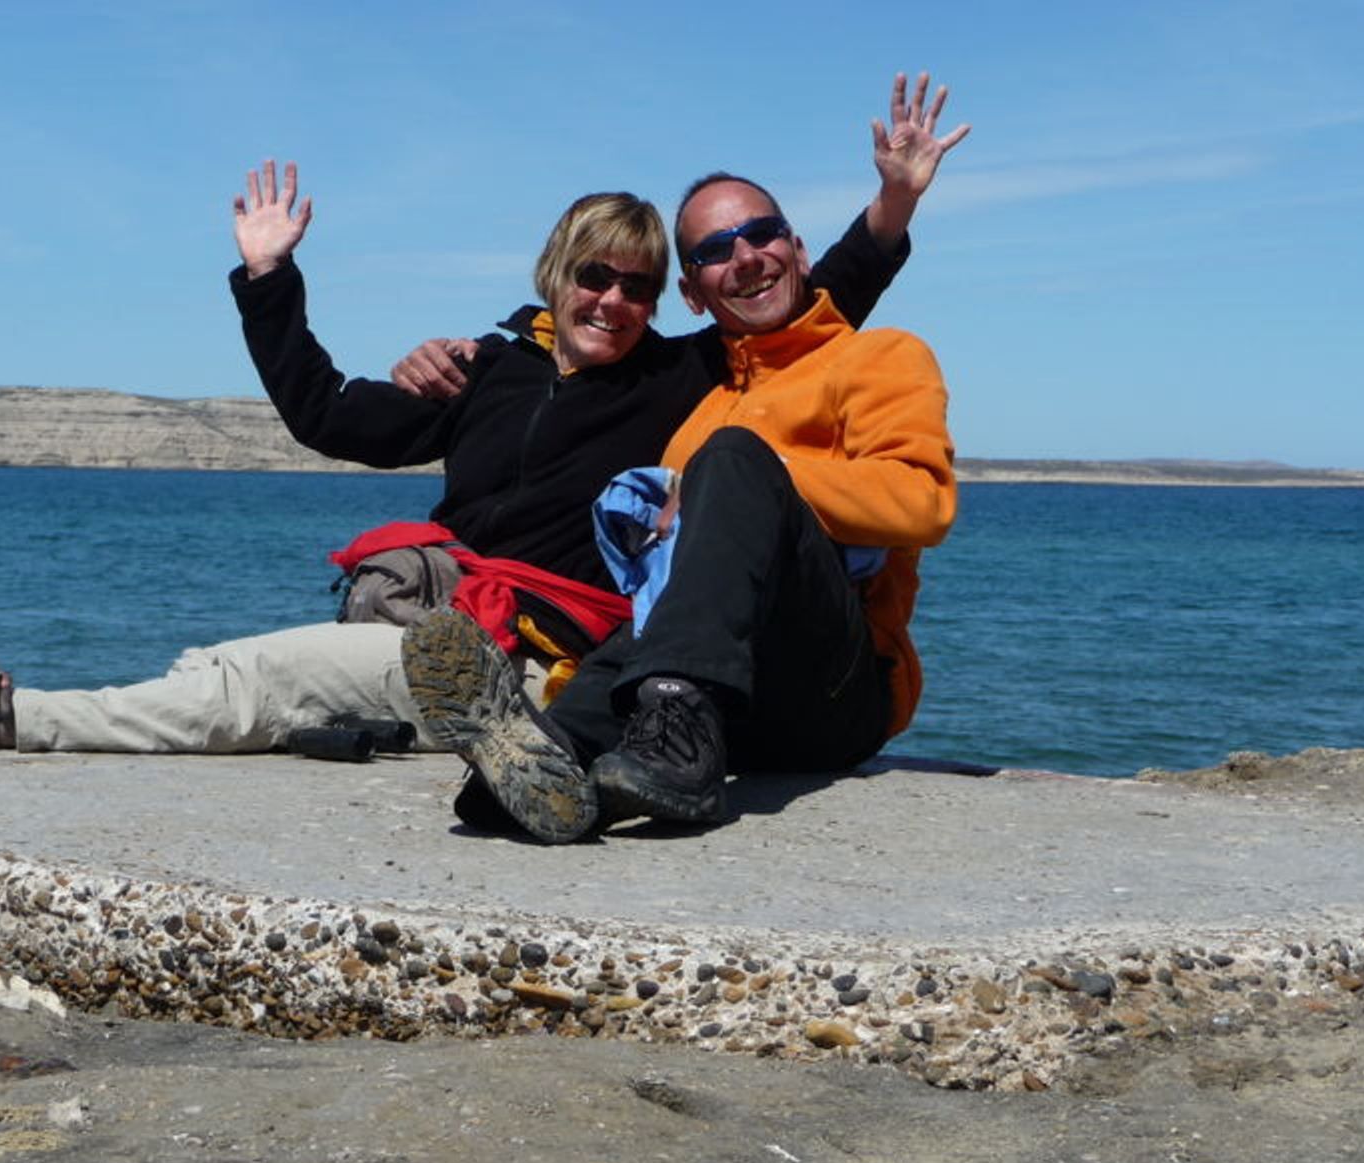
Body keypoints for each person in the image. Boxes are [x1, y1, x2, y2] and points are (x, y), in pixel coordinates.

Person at [0, 75, 968, 760]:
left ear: (665, 300)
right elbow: (327, 414)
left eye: (640, 285)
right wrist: (269, 279)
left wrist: (894, 206)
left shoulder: (680, 383)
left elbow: (788, 304)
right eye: (597, 276)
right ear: (558, 274)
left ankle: (3, 719)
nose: (614, 302)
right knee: (247, 672)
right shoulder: (488, 371)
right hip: (438, 625)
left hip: (530, 651)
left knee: (258, 677)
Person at [398, 172, 958, 843]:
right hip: (728, 703)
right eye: (716, 250)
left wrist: (763, 477)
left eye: (761, 234)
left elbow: (924, 504)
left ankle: (667, 735)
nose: (746, 256)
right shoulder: (701, 400)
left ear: (800, 251)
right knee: (661, 597)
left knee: (732, 459)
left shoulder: (879, 356)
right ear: (692, 294)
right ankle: (548, 759)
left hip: (835, 692)